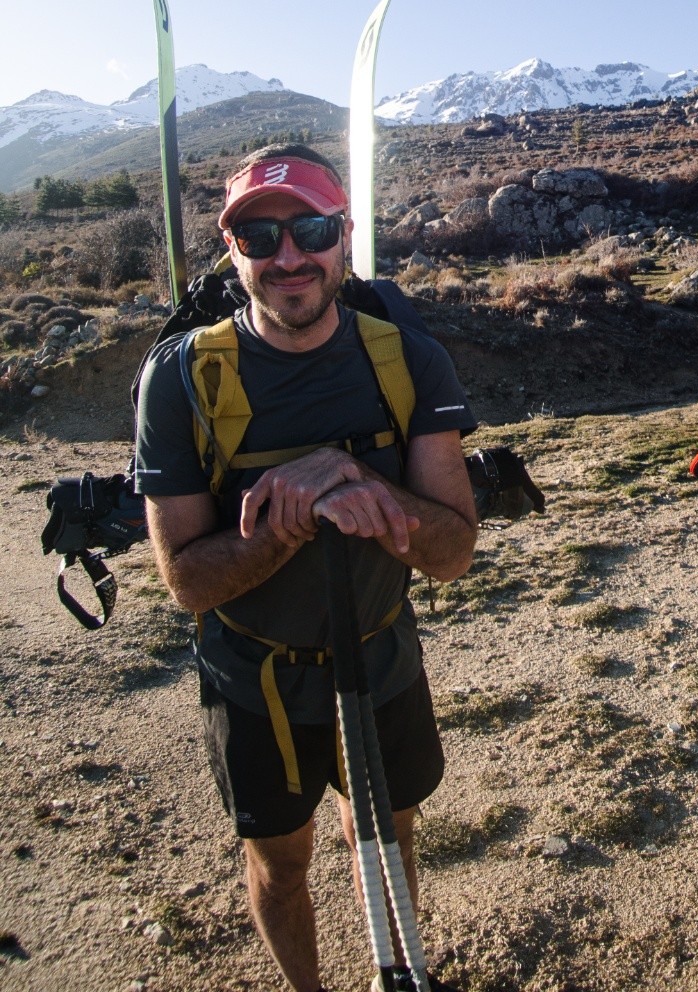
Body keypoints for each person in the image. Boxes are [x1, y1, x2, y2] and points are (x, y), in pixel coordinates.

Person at [136, 143, 478, 992]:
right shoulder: (180, 381)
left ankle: (397, 973)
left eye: (312, 229)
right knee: (281, 863)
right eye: (260, 237)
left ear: (345, 235)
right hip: (257, 681)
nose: (289, 256)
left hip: (382, 656)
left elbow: (454, 555)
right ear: (233, 251)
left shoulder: (407, 360)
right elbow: (186, 585)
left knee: (390, 838)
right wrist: (285, 527)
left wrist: (361, 481)